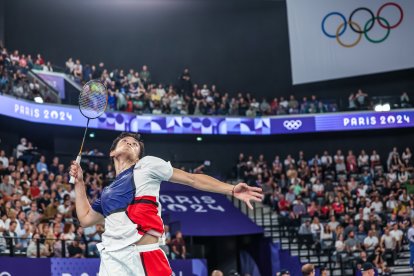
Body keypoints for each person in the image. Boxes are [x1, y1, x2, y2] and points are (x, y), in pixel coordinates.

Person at [69, 132, 263, 276]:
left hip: (144, 255)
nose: (130, 143)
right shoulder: (107, 193)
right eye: (125, 141)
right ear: (112, 152)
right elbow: (85, 219)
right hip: (112, 259)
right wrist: (79, 182)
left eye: (135, 144)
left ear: (138, 155)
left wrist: (230, 189)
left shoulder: (147, 165)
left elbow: (191, 179)